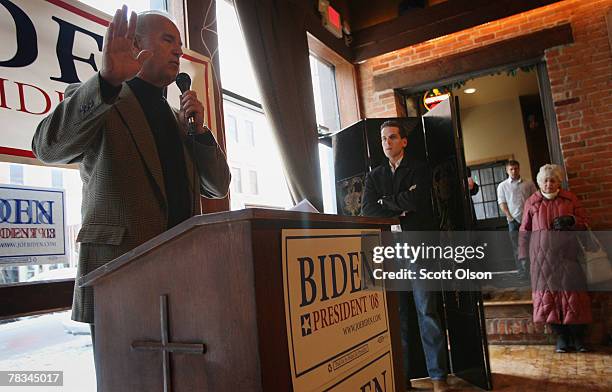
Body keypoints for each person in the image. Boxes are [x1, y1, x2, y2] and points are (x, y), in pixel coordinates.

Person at [32, 6, 230, 384]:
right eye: (168, 39)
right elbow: (47, 148)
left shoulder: (179, 118)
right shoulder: (103, 98)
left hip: (183, 276)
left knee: (182, 380)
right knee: (127, 381)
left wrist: (201, 132)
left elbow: (218, 185)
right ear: (136, 44)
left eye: (181, 44)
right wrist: (106, 79)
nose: (178, 51)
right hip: (119, 275)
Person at [361, 120, 449, 392]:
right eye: (383, 139)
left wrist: (385, 203)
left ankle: (438, 378)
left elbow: (417, 201)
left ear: (404, 141)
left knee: (427, 311)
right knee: (397, 316)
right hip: (389, 252)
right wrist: (399, 204)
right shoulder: (374, 176)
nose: (387, 143)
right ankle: (404, 379)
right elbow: (367, 211)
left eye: (392, 137)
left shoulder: (420, 169)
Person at [519, 164, 591, 353]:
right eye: (545, 180)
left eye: (553, 180)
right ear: (539, 182)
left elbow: (585, 222)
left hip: (568, 255)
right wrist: (523, 255)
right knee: (547, 298)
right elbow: (524, 231)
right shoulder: (531, 202)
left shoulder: (570, 199)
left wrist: (572, 221)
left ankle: (577, 338)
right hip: (541, 259)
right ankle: (561, 337)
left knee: (573, 296)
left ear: (559, 182)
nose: (549, 183)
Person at [497, 160, 537, 278]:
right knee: (517, 247)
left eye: (516, 169)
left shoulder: (529, 183)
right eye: (511, 169)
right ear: (507, 170)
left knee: (531, 245)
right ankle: (522, 272)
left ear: (519, 169)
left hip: (528, 220)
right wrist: (509, 216)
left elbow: (535, 200)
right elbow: (502, 202)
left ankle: (533, 270)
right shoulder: (502, 186)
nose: (514, 171)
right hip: (513, 221)